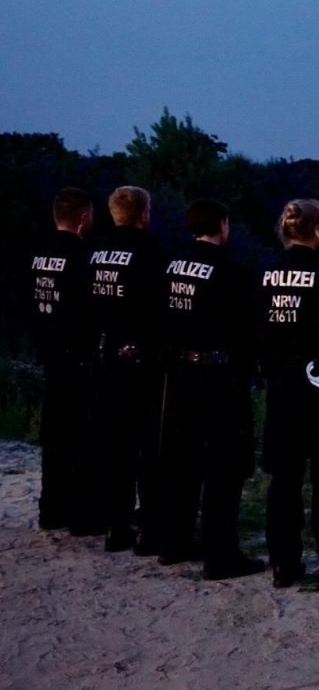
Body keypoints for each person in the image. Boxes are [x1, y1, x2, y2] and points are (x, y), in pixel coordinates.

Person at [257, 199, 319, 589]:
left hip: (281, 382)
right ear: (318, 229)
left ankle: (284, 562)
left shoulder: (265, 273)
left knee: (284, 477)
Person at [159, 199, 264, 580]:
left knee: (180, 460)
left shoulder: (171, 265)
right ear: (222, 224)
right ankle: (221, 554)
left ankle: (174, 541)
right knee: (225, 464)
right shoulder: (231, 269)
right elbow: (247, 327)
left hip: (180, 373)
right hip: (219, 375)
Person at [85, 186, 165, 554]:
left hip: (104, 357)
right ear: (144, 213)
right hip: (142, 359)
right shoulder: (151, 252)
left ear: (112, 212)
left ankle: (115, 524)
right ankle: (150, 527)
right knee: (148, 445)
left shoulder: (93, 251)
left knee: (114, 443)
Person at [29, 187, 102, 535]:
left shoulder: (40, 254)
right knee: (81, 438)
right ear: (85, 217)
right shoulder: (82, 256)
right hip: (77, 356)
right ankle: (80, 514)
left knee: (54, 436)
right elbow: (89, 309)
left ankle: (50, 508)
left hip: (50, 353)